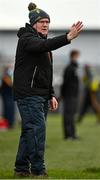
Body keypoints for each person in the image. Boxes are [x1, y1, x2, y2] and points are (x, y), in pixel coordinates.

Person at [13, 2, 83, 177]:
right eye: (42, 21)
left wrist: (50, 95)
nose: (45, 24)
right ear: (33, 23)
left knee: (29, 132)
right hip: (29, 95)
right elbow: (45, 46)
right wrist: (67, 37)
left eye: (47, 22)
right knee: (37, 131)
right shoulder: (27, 39)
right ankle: (38, 170)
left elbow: (46, 73)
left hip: (40, 95)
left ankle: (21, 168)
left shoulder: (43, 43)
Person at [60, 50, 80, 140]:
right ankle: (68, 135)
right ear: (72, 56)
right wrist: (62, 94)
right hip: (68, 95)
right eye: (76, 56)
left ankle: (73, 134)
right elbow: (65, 82)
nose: (77, 58)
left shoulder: (75, 68)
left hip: (74, 95)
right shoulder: (69, 68)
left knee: (72, 115)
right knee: (68, 115)